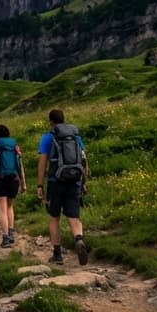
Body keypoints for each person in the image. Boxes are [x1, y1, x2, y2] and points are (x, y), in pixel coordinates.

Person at [36, 108, 89, 265]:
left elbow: (42, 163)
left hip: (55, 181)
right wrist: (83, 182)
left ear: (51, 122)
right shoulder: (75, 137)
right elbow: (84, 160)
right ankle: (78, 239)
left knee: (54, 217)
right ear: (63, 120)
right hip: (74, 181)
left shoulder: (47, 138)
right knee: (73, 216)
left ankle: (57, 254)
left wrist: (40, 185)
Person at [0, 124, 26, 247]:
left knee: (2, 209)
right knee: (10, 206)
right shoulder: (15, 146)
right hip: (14, 179)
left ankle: (6, 238)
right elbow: (20, 165)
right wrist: (23, 183)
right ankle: (11, 232)